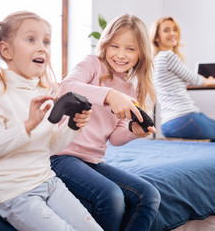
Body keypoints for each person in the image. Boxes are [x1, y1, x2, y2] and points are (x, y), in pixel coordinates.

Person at [0, 10, 103, 231]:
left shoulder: (42, 91)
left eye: (46, 41)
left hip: (47, 181)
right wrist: (28, 125)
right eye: (31, 39)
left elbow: (50, 146)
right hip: (13, 191)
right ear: (6, 49)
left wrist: (73, 126)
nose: (42, 47)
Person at [50, 13, 161, 231]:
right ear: (105, 45)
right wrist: (109, 95)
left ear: (141, 54)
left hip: (92, 160)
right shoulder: (92, 64)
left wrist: (132, 130)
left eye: (130, 49)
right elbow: (65, 87)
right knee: (111, 196)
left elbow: (115, 139)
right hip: (60, 156)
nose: (121, 55)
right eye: (115, 46)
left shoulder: (131, 89)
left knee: (149, 196)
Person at [150, 16, 215, 142]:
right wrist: (209, 81)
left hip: (166, 125)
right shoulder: (168, 56)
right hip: (184, 117)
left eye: (174, 30)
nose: (173, 33)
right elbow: (195, 80)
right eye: (166, 30)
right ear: (156, 37)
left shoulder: (155, 60)